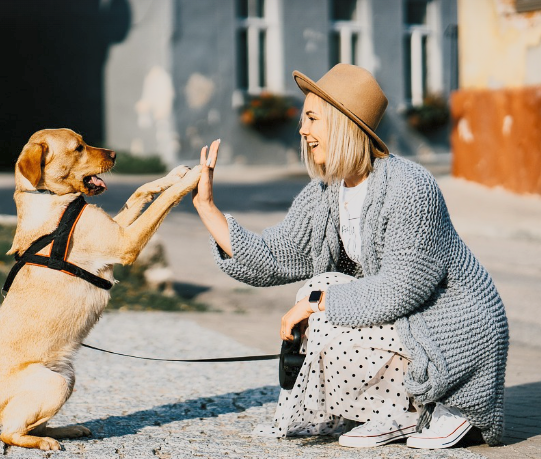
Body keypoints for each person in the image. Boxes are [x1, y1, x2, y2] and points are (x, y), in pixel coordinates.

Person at [191, 64, 508, 449]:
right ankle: (390, 411)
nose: (302, 130)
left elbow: (401, 288)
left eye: (312, 118)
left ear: (343, 123)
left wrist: (316, 305)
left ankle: (431, 406)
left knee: (320, 299)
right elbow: (275, 256)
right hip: (406, 322)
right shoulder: (326, 192)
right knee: (318, 288)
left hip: (453, 329)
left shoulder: (410, 187)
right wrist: (207, 208)